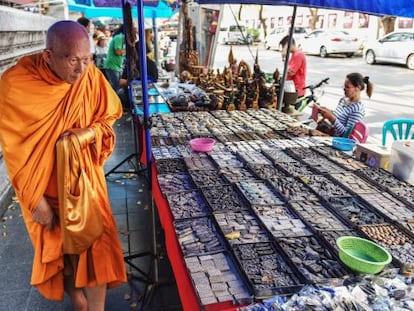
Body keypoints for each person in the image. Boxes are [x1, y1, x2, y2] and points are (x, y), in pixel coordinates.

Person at [0, 20, 126, 310]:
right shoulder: (16, 85)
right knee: (62, 254)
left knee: (99, 247)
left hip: (86, 183)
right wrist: (35, 201)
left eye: (87, 59)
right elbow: (15, 149)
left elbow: (108, 118)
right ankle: (78, 301)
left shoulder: (89, 78)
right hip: (46, 186)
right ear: (48, 55)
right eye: (72, 60)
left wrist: (88, 133)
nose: (81, 70)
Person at [315, 72, 374, 136]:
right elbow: (339, 117)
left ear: (358, 88)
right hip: (328, 134)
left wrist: (331, 118)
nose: (344, 89)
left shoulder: (357, 109)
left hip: (337, 141)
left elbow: (346, 134)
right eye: (344, 86)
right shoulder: (344, 100)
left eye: (347, 87)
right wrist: (326, 111)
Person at [279, 35, 307, 100]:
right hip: (292, 89)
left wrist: (284, 57)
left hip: (296, 91)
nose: (283, 48)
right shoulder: (294, 54)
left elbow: (290, 72)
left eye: (284, 46)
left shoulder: (298, 55)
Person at [103, 24, 126, 91]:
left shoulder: (121, 38)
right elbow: (118, 52)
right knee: (117, 88)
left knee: (118, 87)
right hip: (112, 66)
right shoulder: (119, 37)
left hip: (117, 66)